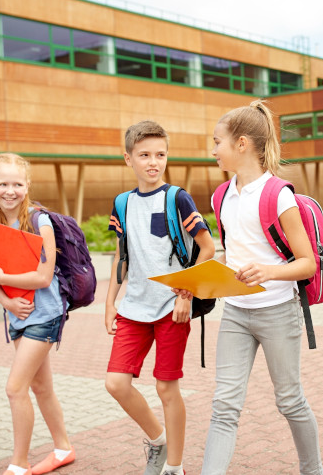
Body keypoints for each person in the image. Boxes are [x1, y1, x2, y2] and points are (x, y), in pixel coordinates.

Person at [201, 100, 323, 475]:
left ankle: (313, 471)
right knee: (224, 405)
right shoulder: (221, 196)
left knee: (289, 401)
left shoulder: (278, 195)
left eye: (217, 141)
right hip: (236, 313)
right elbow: (231, 254)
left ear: (241, 144)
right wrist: (198, 280)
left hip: (277, 312)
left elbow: (308, 262)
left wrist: (268, 272)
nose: (213, 149)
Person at [105, 120, 215, 475]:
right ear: (128, 159)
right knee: (116, 383)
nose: (153, 162)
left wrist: (186, 294)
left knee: (167, 388)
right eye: (144, 155)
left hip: (172, 310)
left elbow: (208, 248)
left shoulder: (177, 198)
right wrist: (110, 303)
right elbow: (122, 256)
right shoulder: (121, 203)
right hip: (133, 309)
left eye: (160, 154)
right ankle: (158, 438)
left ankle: (174, 465)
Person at [0, 153, 75, 475]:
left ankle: (18, 464)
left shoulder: (39, 221)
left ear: (28, 185)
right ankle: (63, 448)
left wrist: (3, 280)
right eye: (3, 183)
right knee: (41, 387)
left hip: (45, 315)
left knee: (15, 388)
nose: (11, 190)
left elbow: (43, 277)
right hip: (19, 317)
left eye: (17, 184)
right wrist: (7, 303)